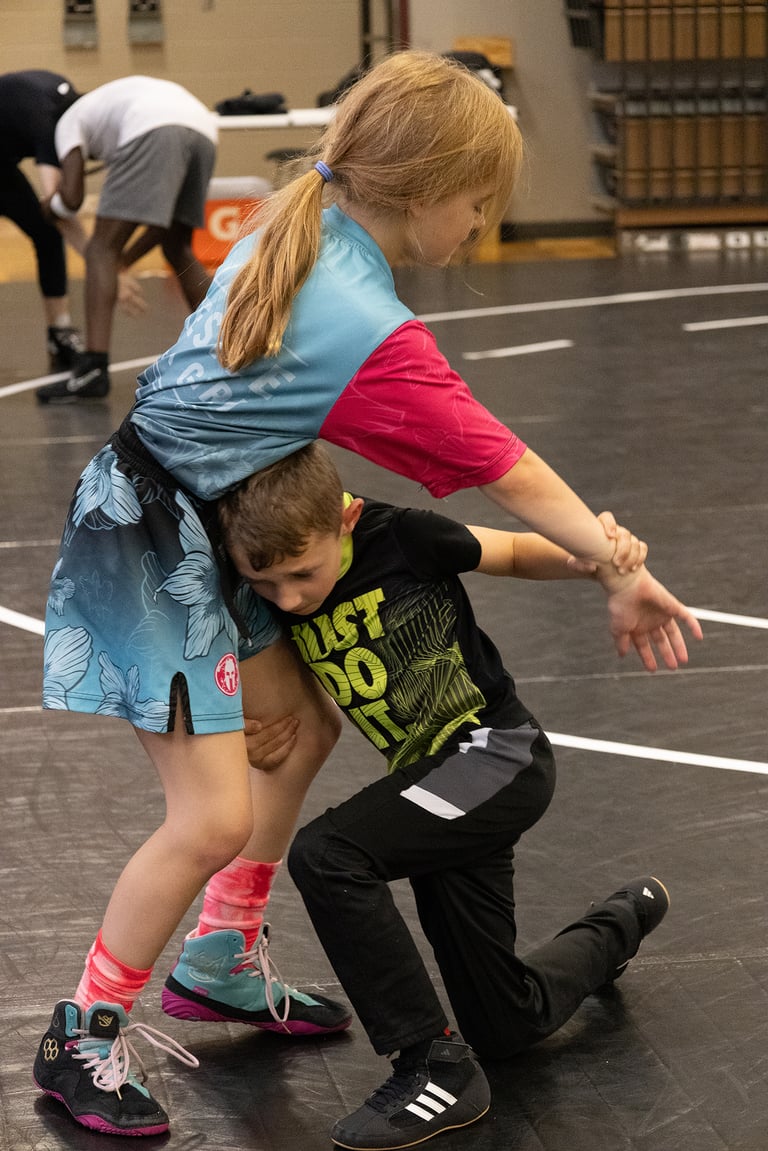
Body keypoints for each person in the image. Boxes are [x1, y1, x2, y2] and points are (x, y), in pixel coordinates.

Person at [36, 50, 701, 1139]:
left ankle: (219, 956)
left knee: (298, 727)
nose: (479, 227)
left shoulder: (307, 230)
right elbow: (507, 465)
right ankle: (82, 1035)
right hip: (154, 535)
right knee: (210, 814)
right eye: (481, 204)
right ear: (432, 189)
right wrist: (622, 563)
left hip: (194, 516)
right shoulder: (363, 318)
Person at [218, 442, 701, 1150]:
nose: (289, 599)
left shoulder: (402, 536)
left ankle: (432, 1063)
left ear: (344, 521)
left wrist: (599, 558)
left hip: (496, 756)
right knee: (508, 1022)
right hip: (438, 784)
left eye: (301, 575)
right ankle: (623, 919)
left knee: (328, 854)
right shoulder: (279, 580)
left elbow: (507, 550)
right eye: (265, 585)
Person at [35, 75, 219, 404]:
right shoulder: (108, 105)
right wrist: (123, 263)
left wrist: (50, 206)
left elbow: (72, 197)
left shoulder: (67, 121)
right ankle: (228, 348)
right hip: (203, 128)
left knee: (98, 249)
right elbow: (161, 226)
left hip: (153, 127)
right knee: (178, 247)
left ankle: (93, 369)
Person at [0, 70, 86, 370]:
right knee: (52, 225)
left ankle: (59, 332)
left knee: (47, 235)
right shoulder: (51, 126)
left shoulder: (63, 100)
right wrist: (104, 263)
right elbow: (58, 208)